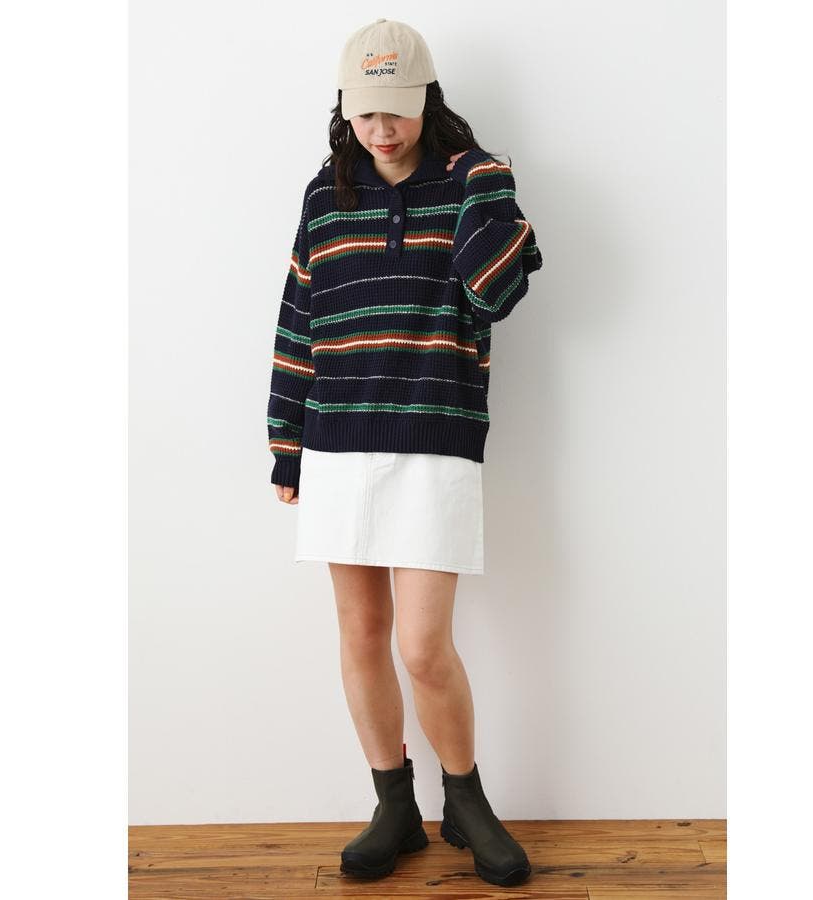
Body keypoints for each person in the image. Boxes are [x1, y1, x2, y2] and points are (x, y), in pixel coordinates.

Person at [266, 18, 543, 888]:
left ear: (427, 98)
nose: (380, 129)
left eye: (395, 109)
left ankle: (465, 800)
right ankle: (394, 805)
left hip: (433, 439)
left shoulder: (470, 181)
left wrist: (484, 187)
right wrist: (285, 442)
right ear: (345, 109)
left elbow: (495, 293)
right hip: (337, 440)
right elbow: (298, 318)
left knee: (424, 648)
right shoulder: (325, 195)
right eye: (364, 113)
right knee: (361, 635)